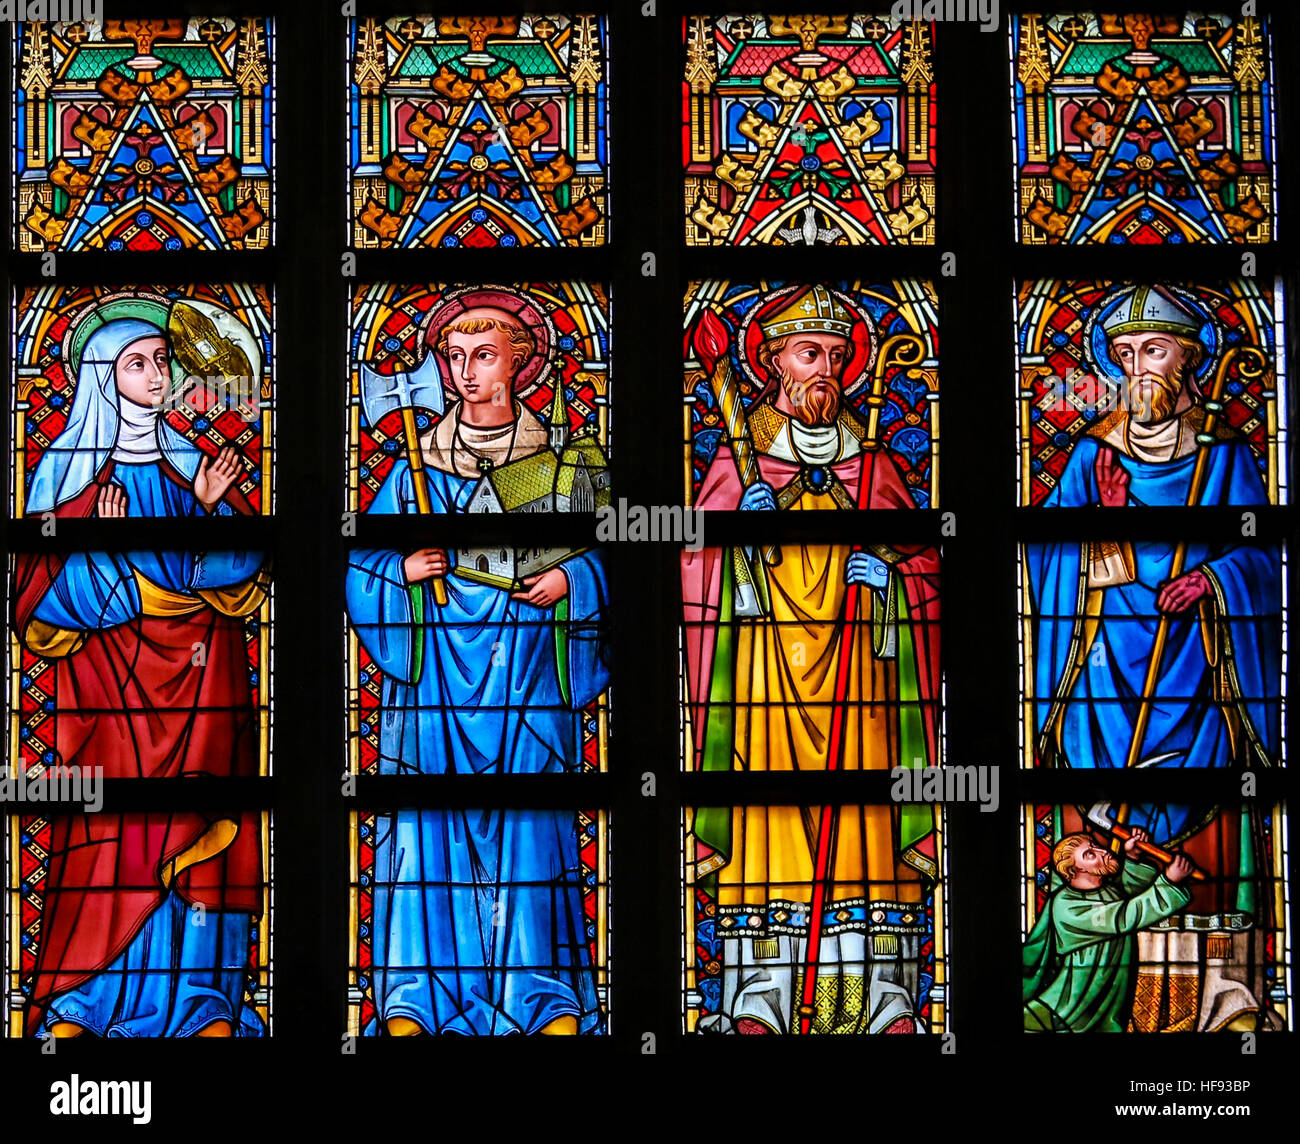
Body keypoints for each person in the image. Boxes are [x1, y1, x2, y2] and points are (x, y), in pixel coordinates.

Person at [346, 289, 608, 1035]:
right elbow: (359, 565)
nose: (465, 372)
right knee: (428, 831)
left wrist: (573, 580)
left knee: (531, 827)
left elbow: (620, 565)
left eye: (483, 355)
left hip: (527, 674)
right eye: (453, 358)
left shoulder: (565, 467)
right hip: (432, 688)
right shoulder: (411, 470)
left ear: (523, 364)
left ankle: (541, 993)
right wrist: (400, 573)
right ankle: (418, 997)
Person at [682, 285, 941, 1034]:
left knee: (864, 823)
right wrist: (733, 540)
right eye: (809, 353)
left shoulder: (877, 468)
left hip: (862, 681)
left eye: (835, 356)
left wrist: (891, 577)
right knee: (770, 829)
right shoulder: (739, 467)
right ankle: (758, 998)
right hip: (763, 680)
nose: (825, 369)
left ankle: (879, 1001)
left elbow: (928, 568)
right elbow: (692, 575)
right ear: (774, 364)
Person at [1027, 285, 1281, 1029]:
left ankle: (1221, 998)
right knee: (1109, 818)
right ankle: (1105, 1002)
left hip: (1202, 670)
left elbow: (1261, 556)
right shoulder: (1089, 457)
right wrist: (1103, 521)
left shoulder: (1225, 457)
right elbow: (1046, 562)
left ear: (1189, 361)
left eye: (1156, 350)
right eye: (1127, 354)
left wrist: (1213, 578)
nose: (1141, 367)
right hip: (1103, 671)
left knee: (1202, 813)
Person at [16, 313, 267, 1037]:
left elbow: (242, 571)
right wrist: (99, 545)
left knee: (197, 828)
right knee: (112, 834)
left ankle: (199, 1002)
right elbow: (36, 600)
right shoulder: (64, 477)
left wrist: (214, 514)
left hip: (202, 684)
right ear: (102, 378)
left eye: (163, 360)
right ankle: (85, 998)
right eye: (138, 363)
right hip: (109, 699)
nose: (157, 376)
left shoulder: (194, 468)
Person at [1023, 829, 1195, 1033]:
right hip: (1072, 1007)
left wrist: (1132, 858)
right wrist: (1168, 883)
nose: (1102, 851)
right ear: (1074, 870)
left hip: (1109, 999)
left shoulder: (1107, 889)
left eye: (1095, 846)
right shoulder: (1066, 906)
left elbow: (1131, 894)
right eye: (1090, 854)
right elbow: (1122, 916)